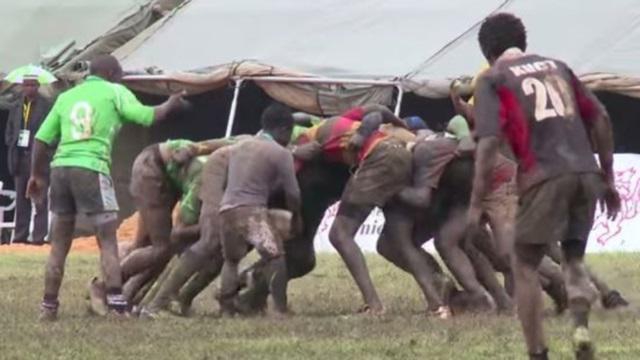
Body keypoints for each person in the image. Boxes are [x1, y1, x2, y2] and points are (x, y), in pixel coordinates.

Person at [469, 13, 621, 359]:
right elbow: (601, 118)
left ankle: (538, 353)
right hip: (585, 173)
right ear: (521, 42)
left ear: (487, 51)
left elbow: (489, 143)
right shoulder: (559, 67)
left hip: (543, 175)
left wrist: (476, 202)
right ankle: (581, 328)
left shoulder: (494, 78)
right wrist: (607, 178)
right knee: (574, 258)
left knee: (523, 265)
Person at [27, 54, 188, 321]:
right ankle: (115, 305)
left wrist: (36, 176)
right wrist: (171, 103)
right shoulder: (115, 91)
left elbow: (42, 139)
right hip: (91, 168)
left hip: (60, 169)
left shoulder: (67, 97)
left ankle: (48, 306)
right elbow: (147, 116)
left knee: (58, 245)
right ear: (112, 74)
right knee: (108, 241)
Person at [218, 103, 301, 316]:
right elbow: (293, 193)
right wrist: (296, 216)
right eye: (289, 133)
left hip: (226, 209)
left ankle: (226, 310)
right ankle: (280, 309)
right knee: (276, 256)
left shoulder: (238, 147)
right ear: (284, 129)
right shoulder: (280, 153)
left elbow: (226, 181)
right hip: (251, 211)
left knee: (231, 260)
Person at [4, 75, 52, 245]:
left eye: (32, 85)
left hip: (38, 158)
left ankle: (39, 238)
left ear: (38, 86)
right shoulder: (17, 106)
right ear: (22, 87)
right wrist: (12, 141)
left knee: (39, 199)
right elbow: (9, 130)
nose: (29, 88)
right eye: (26, 85)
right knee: (21, 200)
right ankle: (20, 237)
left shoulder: (46, 105)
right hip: (19, 157)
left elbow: (53, 131)